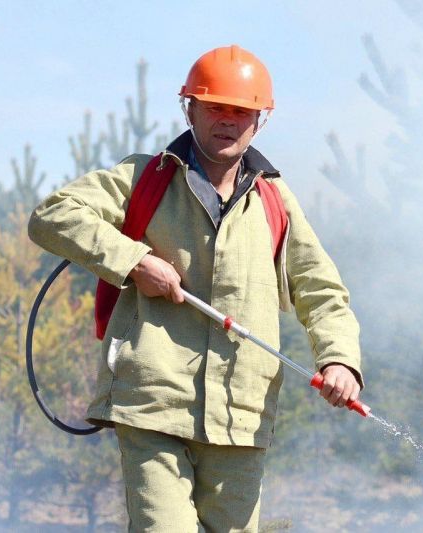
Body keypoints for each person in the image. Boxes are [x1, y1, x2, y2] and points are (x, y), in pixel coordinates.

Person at [28, 45, 363, 532]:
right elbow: (52, 216)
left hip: (242, 415)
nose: (227, 121)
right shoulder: (145, 177)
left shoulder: (276, 200)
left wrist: (340, 360)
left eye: (241, 111)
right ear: (189, 108)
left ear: (259, 121)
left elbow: (321, 289)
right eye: (214, 107)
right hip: (151, 404)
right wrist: (134, 260)